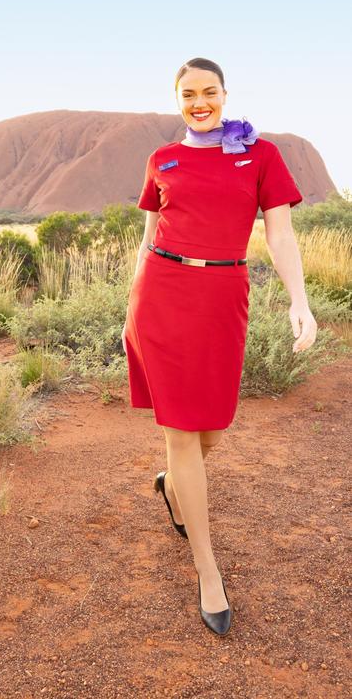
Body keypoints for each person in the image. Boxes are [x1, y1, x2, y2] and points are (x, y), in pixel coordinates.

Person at [121, 57, 318, 636]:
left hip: (224, 293)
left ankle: (172, 484)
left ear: (225, 95)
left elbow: (280, 233)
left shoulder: (260, 154)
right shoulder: (163, 159)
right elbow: (148, 239)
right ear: (177, 99)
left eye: (209, 92)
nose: (199, 102)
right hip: (162, 293)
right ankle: (208, 570)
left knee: (213, 428)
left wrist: (298, 301)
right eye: (188, 94)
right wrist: (128, 309)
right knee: (181, 431)